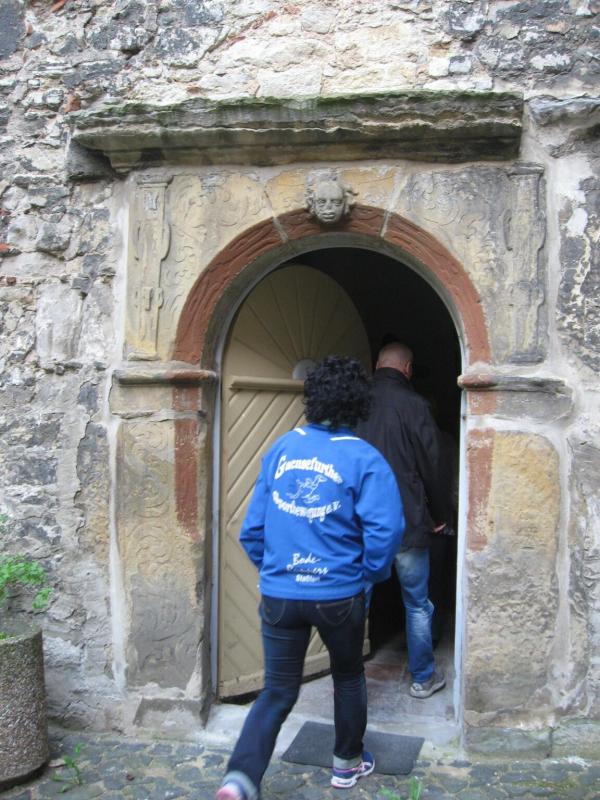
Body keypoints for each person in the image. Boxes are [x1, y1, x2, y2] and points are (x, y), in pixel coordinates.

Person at [216, 355, 405, 800]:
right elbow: (386, 531)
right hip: (339, 594)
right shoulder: (365, 458)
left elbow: (252, 530)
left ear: (312, 398)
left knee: (276, 691)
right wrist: (370, 575)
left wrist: (277, 571)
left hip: (280, 597)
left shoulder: (282, 449)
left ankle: (240, 779)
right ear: (359, 404)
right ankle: (346, 764)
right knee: (348, 677)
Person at [356, 342, 450, 700]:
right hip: (407, 520)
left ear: (376, 365)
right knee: (418, 604)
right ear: (407, 369)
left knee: (356, 600)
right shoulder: (415, 405)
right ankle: (423, 678)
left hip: (362, 521)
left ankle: (348, 679)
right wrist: (440, 515)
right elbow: (433, 465)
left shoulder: (355, 402)